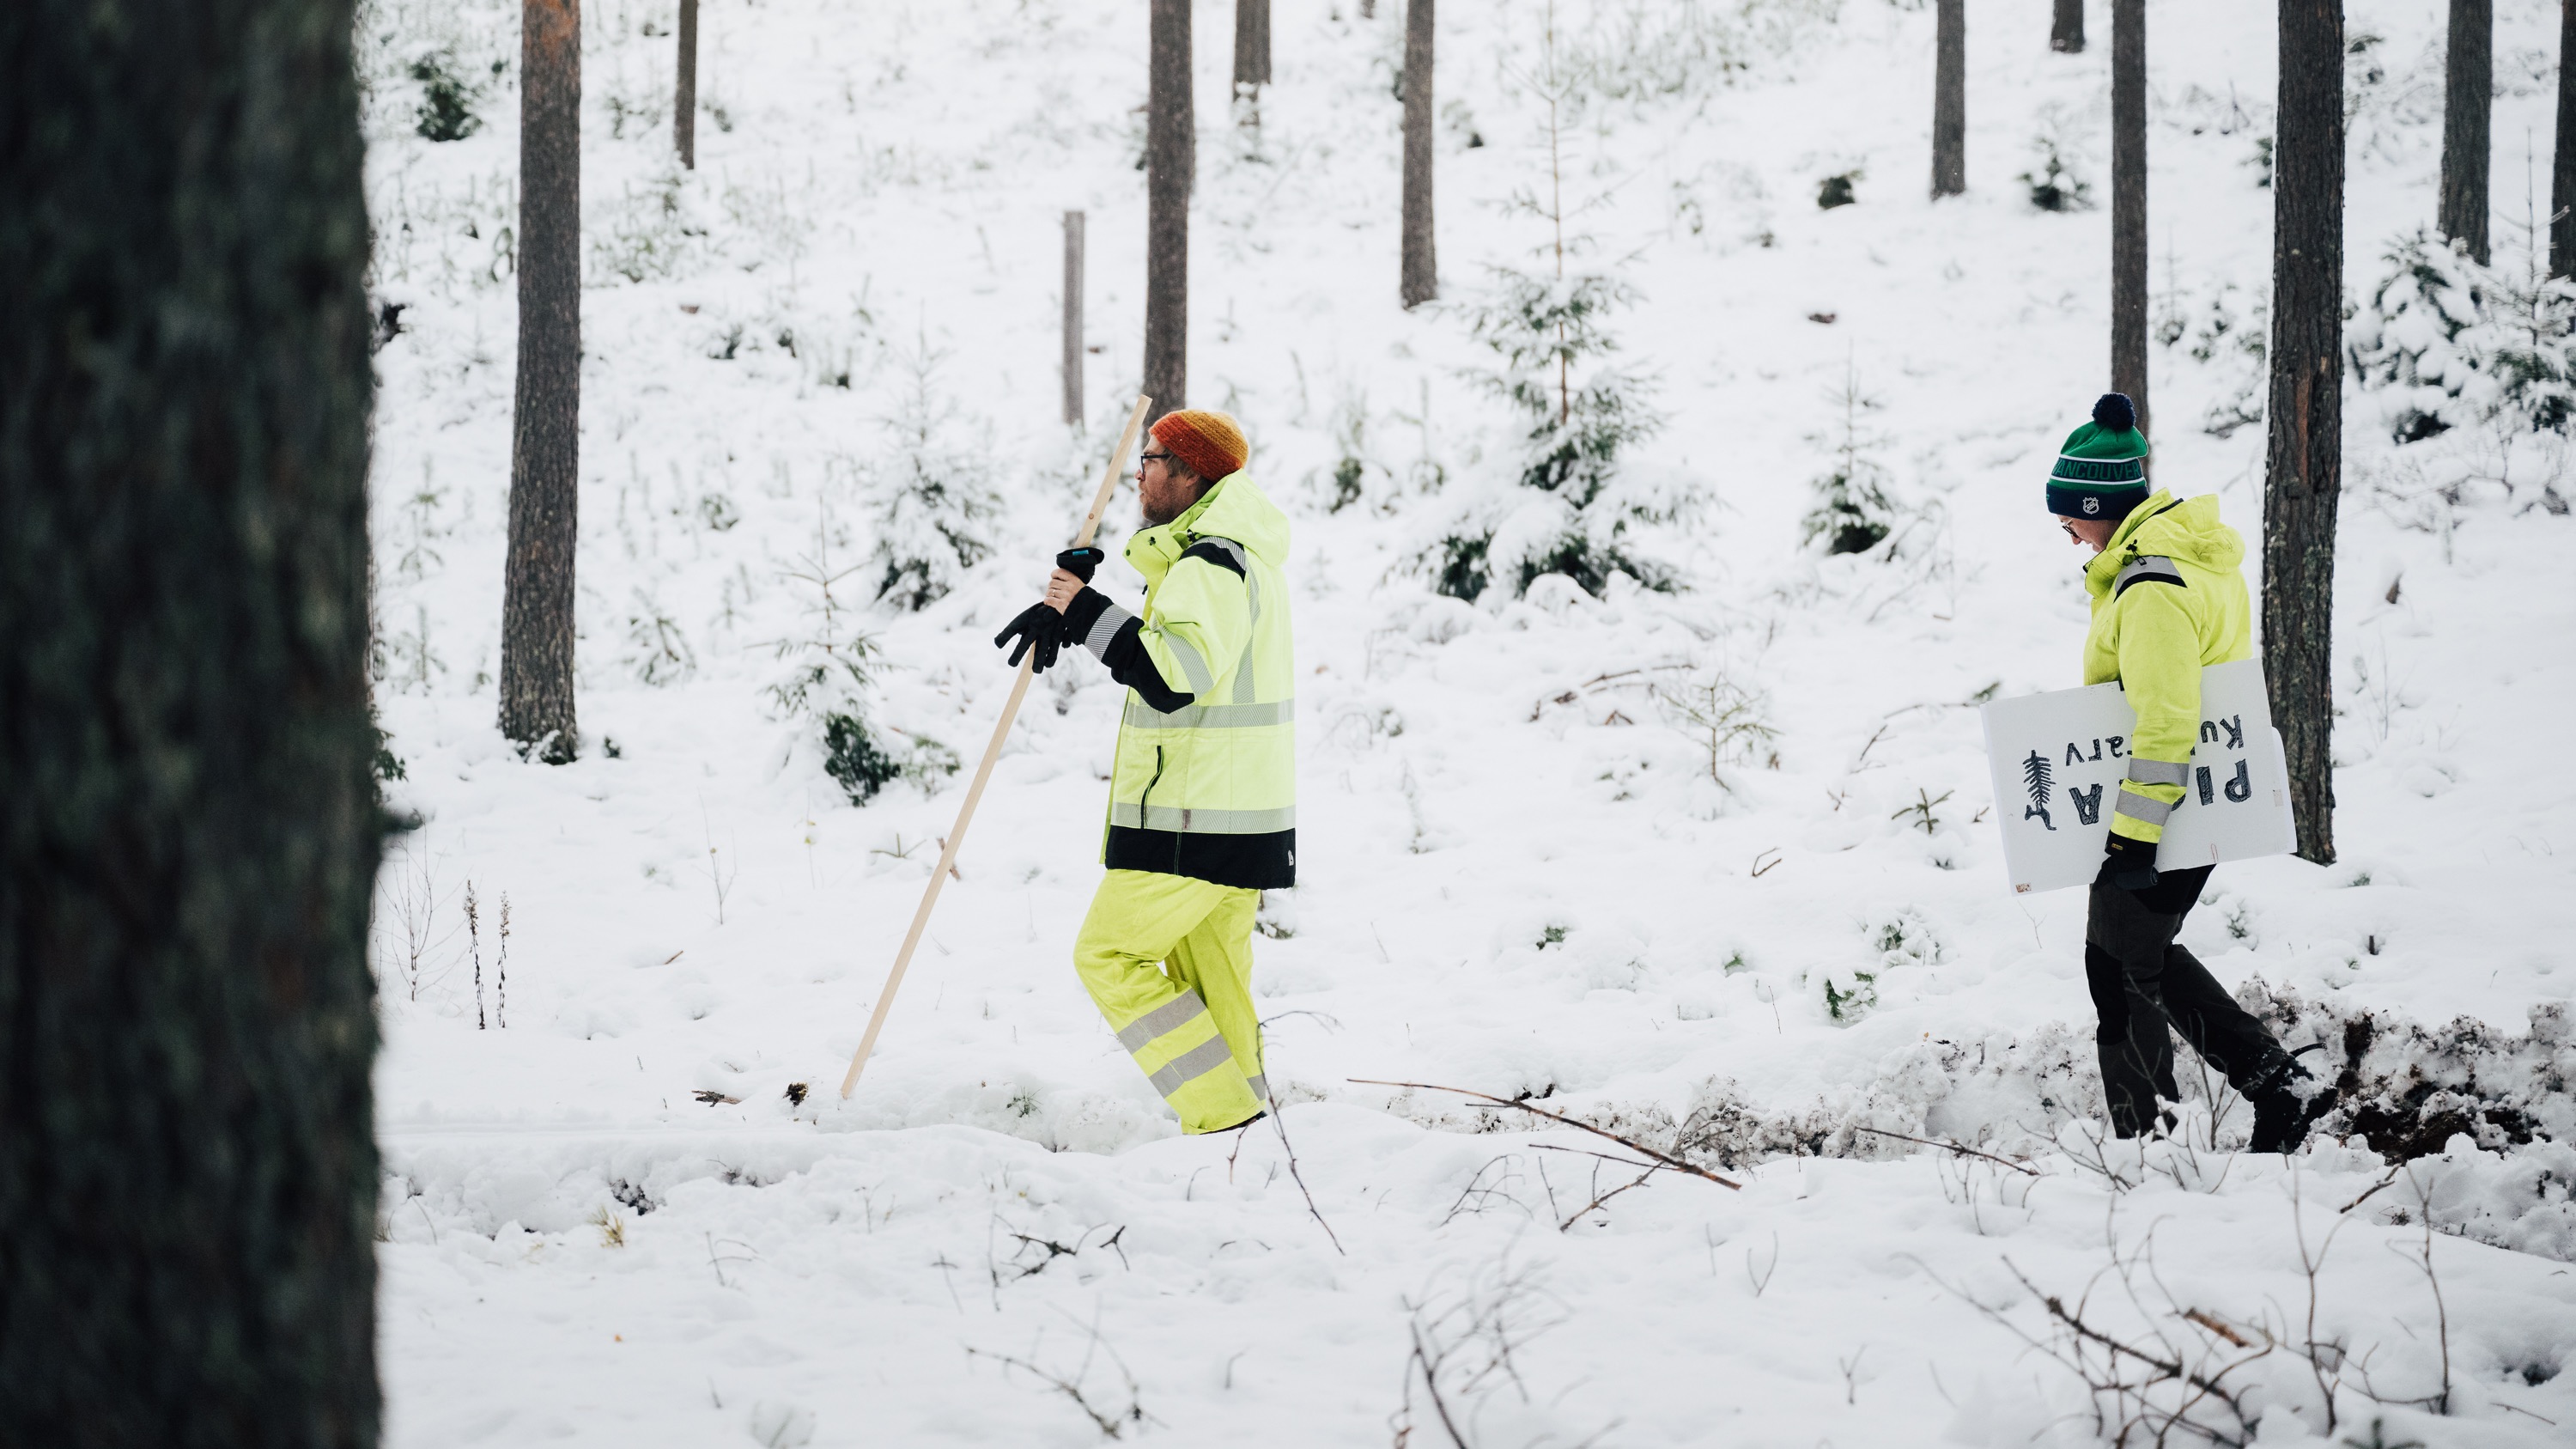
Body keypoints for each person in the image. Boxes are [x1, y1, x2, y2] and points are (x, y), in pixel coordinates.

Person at [993, 411, 1295, 1135]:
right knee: (1211, 979)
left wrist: (1086, 610)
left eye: (1153, 459)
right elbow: (1181, 655)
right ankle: (1249, 1142)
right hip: (1234, 813)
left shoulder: (1211, 565)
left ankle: (1224, 1115)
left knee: (1107, 955)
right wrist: (1080, 615)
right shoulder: (1229, 558)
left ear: (1190, 473)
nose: (1140, 472)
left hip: (1196, 817)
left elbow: (1171, 675)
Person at [2048, 393, 2332, 1153]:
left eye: (2069, 518)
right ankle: (2238, 1097)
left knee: (2123, 965)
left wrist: (2133, 835)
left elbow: (2168, 718)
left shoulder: (2150, 588)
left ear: (2097, 507)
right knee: (2127, 957)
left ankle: (2178, 1125)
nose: (2066, 533)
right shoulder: (2183, 560)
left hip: (2162, 811)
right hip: (2192, 802)